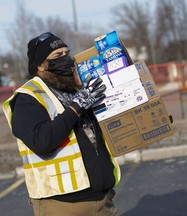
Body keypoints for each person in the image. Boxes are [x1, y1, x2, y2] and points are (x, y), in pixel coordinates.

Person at [2, 32, 121, 216]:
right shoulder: (27, 98)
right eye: (58, 56)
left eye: (67, 53)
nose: (66, 59)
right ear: (41, 65)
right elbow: (41, 141)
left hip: (103, 200)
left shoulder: (76, 90)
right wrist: (76, 108)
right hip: (62, 206)